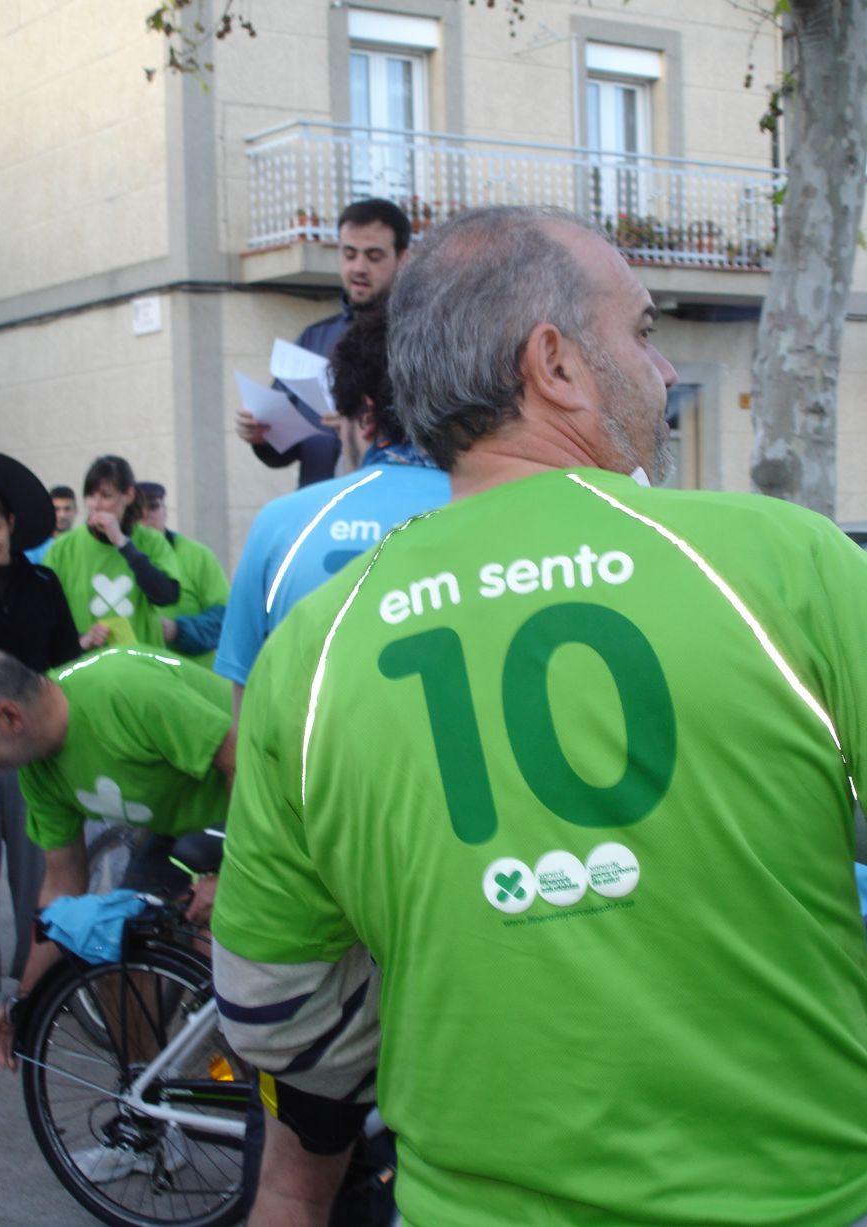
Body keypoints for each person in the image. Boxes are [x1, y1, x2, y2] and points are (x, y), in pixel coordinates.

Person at [212, 207, 867, 1226]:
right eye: (641, 332)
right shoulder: (786, 561)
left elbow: (272, 1003)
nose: (660, 371)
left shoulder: (311, 650)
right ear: (553, 364)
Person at [0, 645, 234, 1074]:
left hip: (258, 804)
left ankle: (270, 1095)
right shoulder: (37, 769)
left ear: (9, 716)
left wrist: (233, 877)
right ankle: (146, 1092)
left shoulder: (123, 692)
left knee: (226, 951)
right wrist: (23, 1001)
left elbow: (245, 764)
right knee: (110, 949)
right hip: (180, 831)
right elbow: (61, 890)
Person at [216, 303, 450, 719]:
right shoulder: (495, 507)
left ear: (365, 418)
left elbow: (246, 708)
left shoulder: (279, 523)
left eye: (341, 424)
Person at [0, 455, 82, 1035]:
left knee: (39, 865)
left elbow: (68, 659)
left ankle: (40, 980)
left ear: (11, 527)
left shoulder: (43, 584)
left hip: (34, 744)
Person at [237, 198, 411, 488]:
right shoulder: (313, 338)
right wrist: (261, 436)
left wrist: (360, 426)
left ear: (402, 258)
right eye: (349, 254)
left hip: (392, 501)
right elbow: (285, 447)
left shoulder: (420, 338)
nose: (359, 267)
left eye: (374, 256)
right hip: (321, 501)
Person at [46, 455, 180, 649]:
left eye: (106, 496)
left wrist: (122, 543)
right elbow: (45, 616)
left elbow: (166, 596)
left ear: (128, 495)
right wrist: (81, 640)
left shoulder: (151, 541)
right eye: (90, 496)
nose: (96, 505)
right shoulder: (63, 548)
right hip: (89, 664)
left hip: (139, 661)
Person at [136, 481, 230, 669]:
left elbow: (225, 618)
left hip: (192, 677)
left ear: (165, 511)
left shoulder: (198, 556)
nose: (146, 515)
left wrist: (178, 630)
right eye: (137, 510)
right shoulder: (116, 557)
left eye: (153, 506)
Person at [25, 484, 80, 565]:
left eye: (67, 509)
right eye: (56, 509)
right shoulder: (34, 546)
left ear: (76, 511)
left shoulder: (82, 543)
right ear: (48, 511)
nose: (62, 515)